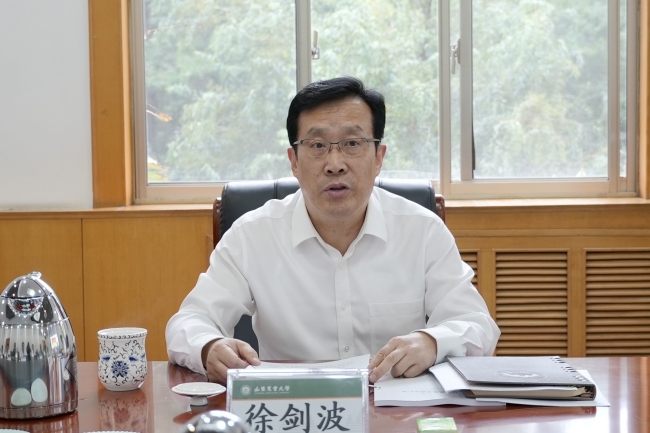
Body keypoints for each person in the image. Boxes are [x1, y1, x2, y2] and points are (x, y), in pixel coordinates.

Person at [166, 76, 500, 385]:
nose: (335, 164)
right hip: (294, 407)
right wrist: (209, 347)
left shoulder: (423, 231)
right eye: (317, 146)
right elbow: (189, 322)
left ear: (378, 157)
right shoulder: (252, 236)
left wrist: (431, 342)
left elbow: (477, 325)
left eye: (352, 143)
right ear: (294, 161)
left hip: (395, 410)